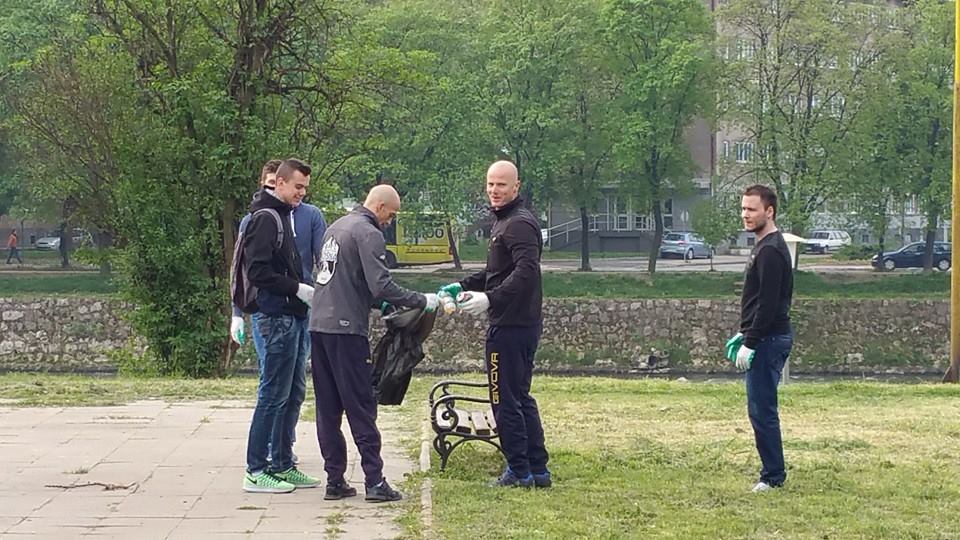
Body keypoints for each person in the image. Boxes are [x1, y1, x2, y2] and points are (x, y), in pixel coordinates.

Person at [309, 184, 439, 503]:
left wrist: (378, 305)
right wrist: (421, 300)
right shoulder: (368, 233)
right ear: (379, 206)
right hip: (346, 330)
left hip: (319, 325)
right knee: (361, 404)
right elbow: (381, 285)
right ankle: (374, 480)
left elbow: (344, 280)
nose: (389, 222)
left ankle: (334, 479)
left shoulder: (336, 227)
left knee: (327, 407)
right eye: (390, 215)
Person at [438, 160, 550, 488]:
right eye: (490, 184)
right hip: (519, 322)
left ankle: (519, 471)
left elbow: (526, 272)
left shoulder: (518, 224)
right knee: (520, 396)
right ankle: (538, 470)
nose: (494, 190)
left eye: (501, 185)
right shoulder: (504, 221)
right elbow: (496, 272)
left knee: (504, 400)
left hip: (511, 326)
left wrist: (491, 299)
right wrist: (463, 284)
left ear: (516, 187)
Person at [231, 159, 327, 465]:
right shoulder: (262, 219)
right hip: (274, 314)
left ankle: (283, 461)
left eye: (305, 188)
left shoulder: (297, 215)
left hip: (296, 312)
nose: (302, 192)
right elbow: (252, 272)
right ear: (277, 184)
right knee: (272, 392)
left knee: (292, 391)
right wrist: (237, 312)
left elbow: (320, 260)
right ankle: (259, 466)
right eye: (297, 186)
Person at [725, 184, 794, 493]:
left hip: (768, 340)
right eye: (743, 208)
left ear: (770, 211)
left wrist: (751, 342)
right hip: (763, 336)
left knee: (762, 410)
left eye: (752, 209)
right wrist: (744, 331)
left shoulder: (770, 251)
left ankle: (772, 477)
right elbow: (759, 302)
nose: (745, 214)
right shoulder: (765, 245)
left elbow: (768, 304)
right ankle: (772, 472)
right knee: (760, 409)